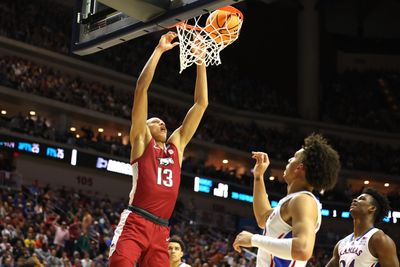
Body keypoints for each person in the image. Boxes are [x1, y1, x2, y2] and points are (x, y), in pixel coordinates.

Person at [108, 31, 208, 267]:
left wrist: (201, 60)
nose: (161, 122)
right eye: (155, 121)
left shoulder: (176, 147)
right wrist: (159, 51)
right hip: (136, 221)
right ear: (145, 126)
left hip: (161, 229)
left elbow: (201, 103)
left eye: (163, 121)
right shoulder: (142, 141)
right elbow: (141, 89)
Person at [233, 133, 341, 267]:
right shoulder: (293, 201)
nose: (289, 159)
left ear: (300, 167)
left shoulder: (303, 201)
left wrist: (254, 239)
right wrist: (258, 176)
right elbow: (263, 218)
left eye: (294, 157)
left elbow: (302, 249)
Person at [325, 187, 399, 267]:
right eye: (356, 198)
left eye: (362, 199)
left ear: (372, 208)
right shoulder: (341, 244)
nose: (354, 200)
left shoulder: (379, 239)